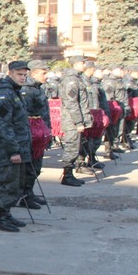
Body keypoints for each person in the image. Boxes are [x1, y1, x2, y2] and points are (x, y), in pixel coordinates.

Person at [0, 61, 33, 232]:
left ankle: (6, 214)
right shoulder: (4, 95)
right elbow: (2, 125)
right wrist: (13, 150)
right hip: (8, 149)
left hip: (18, 147)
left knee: (15, 184)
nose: (23, 78)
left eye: (24, 75)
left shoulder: (14, 92)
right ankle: (1, 217)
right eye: (19, 74)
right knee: (7, 182)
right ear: (10, 73)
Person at [19, 59, 50, 210]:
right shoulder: (27, 90)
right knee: (29, 167)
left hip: (39, 134)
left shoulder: (37, 88)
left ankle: (28, 193)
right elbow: (26, 117)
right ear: (35, 72)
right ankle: (23, 196)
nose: (47, 76)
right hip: (31, 135)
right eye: (44, 73)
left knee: (36, 167)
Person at [59, 56, 91, 186]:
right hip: (71, 120)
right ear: (77, 64)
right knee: (71, 147)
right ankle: (67, 175)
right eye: (83, 63)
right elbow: (71, 102)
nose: (85, 65)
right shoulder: (71, 81)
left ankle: (71, 172)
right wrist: (78, 122)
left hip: (76, 119)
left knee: (76, 146)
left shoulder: (77, 78)